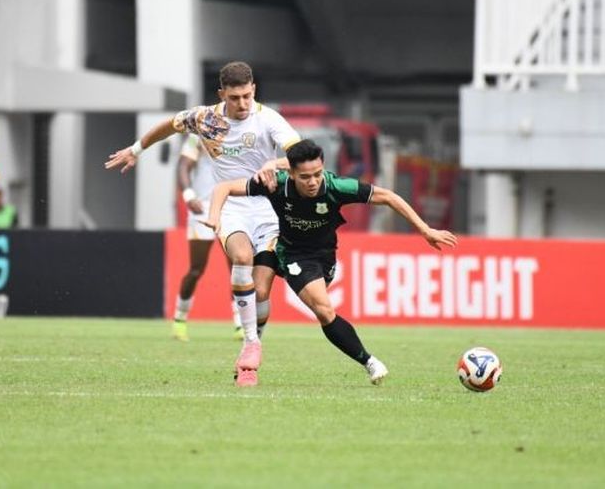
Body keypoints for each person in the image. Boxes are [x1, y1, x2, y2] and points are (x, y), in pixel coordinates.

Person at [105, 61, 300, 387]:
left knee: (262, 290)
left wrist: (275, 162)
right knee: (240, 258)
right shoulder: (205, 119)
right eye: (235, 97)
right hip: (229, 205)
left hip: (269, 208)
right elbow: (169, 124)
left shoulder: (268, 119)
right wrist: (137, 149)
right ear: (222, 93)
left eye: (247, 96)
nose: (242, 104)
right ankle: (251, 344)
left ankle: (250, 348)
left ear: (254, 90)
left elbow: (301, 155)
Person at [204, 139, 458, 385]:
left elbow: (389, 197)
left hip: (313, 258)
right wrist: (215, 216)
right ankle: (251, 351)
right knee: (258, 290)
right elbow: (223, 188)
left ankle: (368, 361)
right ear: (291, 173)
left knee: (324, 311)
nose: (313, 182)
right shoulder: (276, 183)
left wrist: (425, 230)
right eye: (305, 177)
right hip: (278, 243)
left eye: (317, 174)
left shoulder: (338, 187)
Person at [172, 134, 242, 341]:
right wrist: (188, 195)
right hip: (202, 210)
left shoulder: (244, 133)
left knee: (238, 268)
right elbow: (183, 166)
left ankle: (241, 324)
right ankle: (179, 320)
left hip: (232, 209)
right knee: (196, 269)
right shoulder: (200, 134)